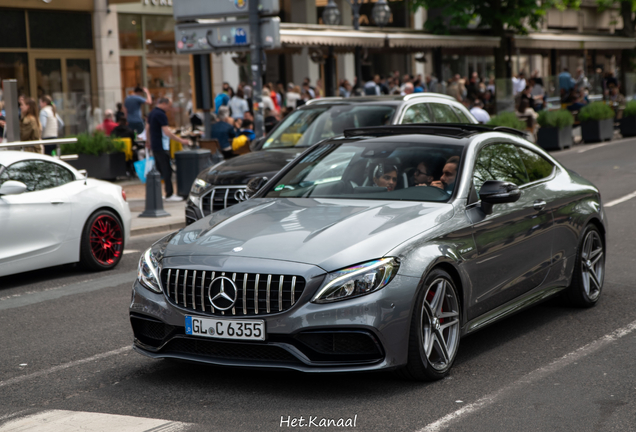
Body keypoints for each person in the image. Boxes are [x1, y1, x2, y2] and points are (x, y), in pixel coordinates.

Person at [146, 98, 190, 201]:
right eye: (169, 106)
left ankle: (162, 193)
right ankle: (169, 194)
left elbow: (147, 128)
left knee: (160, 169)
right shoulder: (161, 114)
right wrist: (181, 140)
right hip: (162, 145)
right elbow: (167, 132)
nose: (169, 108)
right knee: (167, 170)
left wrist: (148, 141)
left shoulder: (152, 113)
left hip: (155, 145)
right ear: (164, 104)